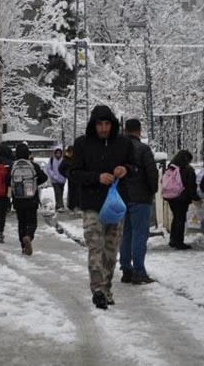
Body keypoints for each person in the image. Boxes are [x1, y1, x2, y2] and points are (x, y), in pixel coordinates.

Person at [69, 105, 135, 310]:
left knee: (110, 249)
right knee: (95, 246)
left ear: (112, 124)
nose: (104, 128)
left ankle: (106, 288)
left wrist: (125, 169)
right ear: (93, 125)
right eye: (100, 124)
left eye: (107, 124)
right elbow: (73, 172)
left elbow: (134, 166)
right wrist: (96, 177)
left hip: (115, 205)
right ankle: (97, 289)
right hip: (92, 204)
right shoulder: (82, 144)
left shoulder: (124, 143)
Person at [119, 119, 159, 285]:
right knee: (139, 234)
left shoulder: (118, 149)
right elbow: (152, 173)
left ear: (125, 129)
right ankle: (139, 271)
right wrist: (153, 189)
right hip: (141, 197)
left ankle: (126, 269)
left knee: (126, 233)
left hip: (122, 197)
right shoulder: (143, 149)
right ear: (139, 130)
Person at [12, 143, 48, 255]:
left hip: (18, 199)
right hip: (31, 198)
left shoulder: (13, 166)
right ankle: (29, 236)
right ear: (28, 153)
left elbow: (7, 180)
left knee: (21, 222)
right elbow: (44, 177)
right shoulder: (33, 166)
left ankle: (23, 246)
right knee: (32, 222)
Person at [166, 150, 199, 250]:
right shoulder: (188, 170)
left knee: (176, 218)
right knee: (180, 219)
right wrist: (195, 197)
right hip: (182, 198)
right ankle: (179, 242)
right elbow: (191, 186)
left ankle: (173, 239)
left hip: (171, 197)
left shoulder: (171, 167)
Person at [47, 146, 67, 212]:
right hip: (54, 180)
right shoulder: (52, 160)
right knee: (57, 192)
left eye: (59, 153)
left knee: (60, 192)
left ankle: (58, 204)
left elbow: (66, 169)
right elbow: (49, 169)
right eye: (57, 153)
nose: (58, 154)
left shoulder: (64, 159)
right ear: (55, 153)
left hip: (62, 180)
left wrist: (65, 176)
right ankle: (60, 206)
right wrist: (54, 176)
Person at [61, 146, 79, 212]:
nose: (72, 153)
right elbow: (60, 169)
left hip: (78, 178)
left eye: (73, 152)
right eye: (70, 152)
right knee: (72, 193)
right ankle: (71, 206)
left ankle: (77, 205)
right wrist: (67, 175)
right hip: (71, 179)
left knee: (78, 192)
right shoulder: (66, 159)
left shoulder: (77, 158)